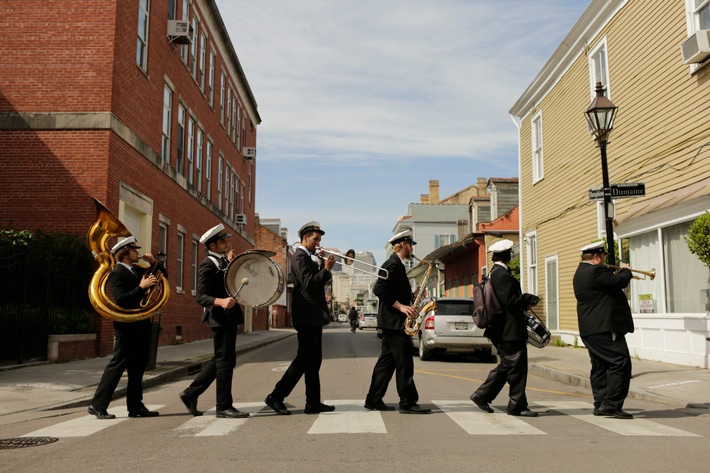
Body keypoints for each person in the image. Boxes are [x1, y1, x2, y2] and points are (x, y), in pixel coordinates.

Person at [264, 221, 336, 415]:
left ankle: (313, 402)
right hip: (307, 317)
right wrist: (327, 269)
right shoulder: (298, 257)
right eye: (315, 239)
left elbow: (315, 282)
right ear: (305, 238)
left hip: (314, 316)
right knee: (303, 360)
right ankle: (276, 396)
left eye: (319, 240)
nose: (318, 243)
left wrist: (321, 264)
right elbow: (309, 284)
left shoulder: (308, 257)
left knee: (314, 361)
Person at [179, 223, 249, 419]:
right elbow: (201, 296)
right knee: (225, 362)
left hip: (228, 318)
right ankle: (223, 407)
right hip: (220, 318)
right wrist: (220, 301)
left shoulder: (222, 262)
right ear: (212, 246)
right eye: (222, 241)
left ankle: (191, 393)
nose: (227, 243)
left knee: (223, 359)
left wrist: (230, 262)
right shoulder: (207, 264)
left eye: (226, 239)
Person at [88, 236, 162, 419]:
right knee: (117, 366)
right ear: (125, 253)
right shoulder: (116, 273)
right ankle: (97, 405)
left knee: (137, 368)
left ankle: (135, 406)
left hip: (141, 324)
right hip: (127, 327)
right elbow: (121, 299)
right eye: (134, 250)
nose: (137, 252)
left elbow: (162, 277)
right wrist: (141, 287)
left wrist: (155, 264)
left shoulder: (135, 270)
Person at [470, 239, 540, 417]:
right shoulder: (501, 274)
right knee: (515, 367)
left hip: (504, 329)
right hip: (508, 330)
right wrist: (529, 298)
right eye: (511, 252)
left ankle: (492, 397)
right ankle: (512, 404)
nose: (512, 254)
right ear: (507, 255)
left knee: (510, 366)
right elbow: (510, 301)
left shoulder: (496, 273)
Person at [364, 230, 431, 414]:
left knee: (386, 364)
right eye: (410, 245)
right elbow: (379, 289)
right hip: (394, 323)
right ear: (402, 245)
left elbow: (393, 290)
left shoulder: (398, 266)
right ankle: (408, 403)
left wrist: (413, 295)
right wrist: (401, 307)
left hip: (392, 323)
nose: (412, 249)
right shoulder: (392, 264)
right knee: (405, 363)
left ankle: (373, 399)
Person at [572, 240, 635, 419]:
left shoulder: (580, 272)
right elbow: (620, 282)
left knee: (600, 366)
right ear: (597, 257)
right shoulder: (595, 271)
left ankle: (600, 403)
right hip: (605, 328)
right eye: (604, 257)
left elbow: (607, 286)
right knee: (620, 362)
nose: (606, 260)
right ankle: (611, 405)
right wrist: (626, 270)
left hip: (590, 329)